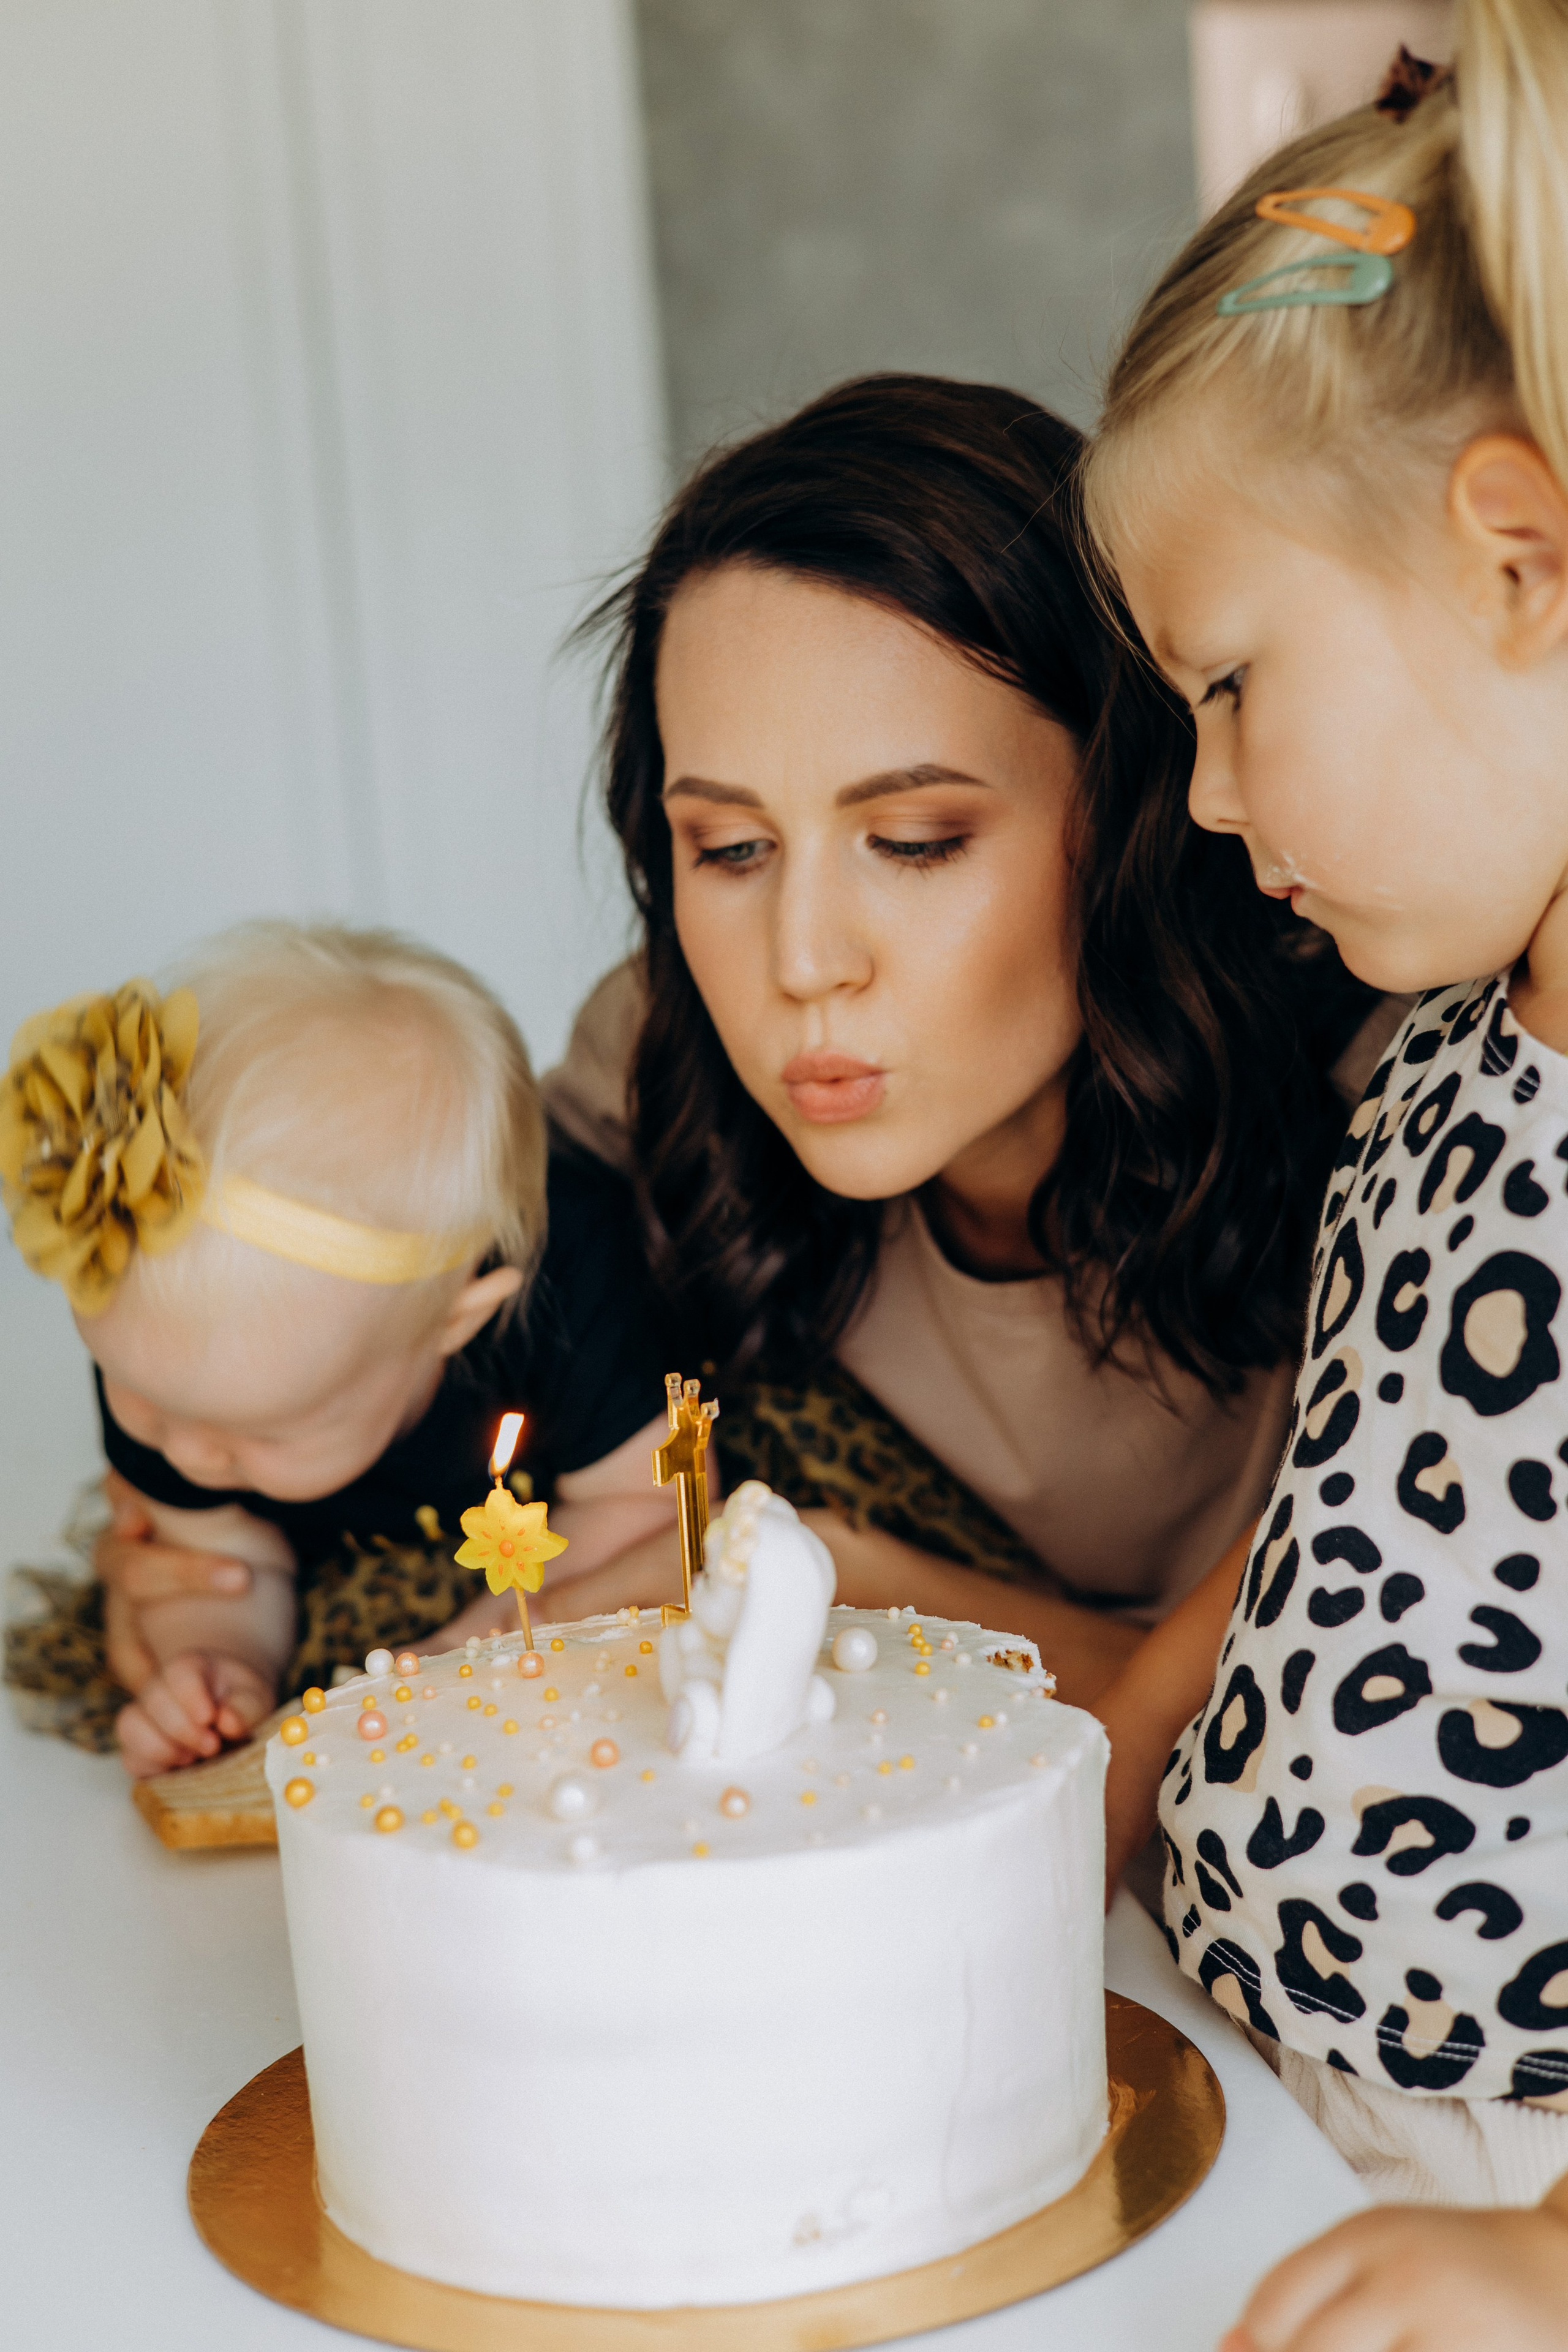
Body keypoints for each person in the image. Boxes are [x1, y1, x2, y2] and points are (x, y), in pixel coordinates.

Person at [537, 371, 1389, 1710]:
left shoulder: (1388, 1087)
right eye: (731, 848)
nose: (803, 961)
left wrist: (849, 1570)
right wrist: (193, 1548)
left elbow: (1334, 1719)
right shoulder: (656, 1066)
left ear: (1128, 812)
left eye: (914, 842)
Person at [1083, 10, 1568, 2346]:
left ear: (1515, 561)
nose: (1200, 794)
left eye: (1237, 685)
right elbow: (1329, 1547)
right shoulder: (1434, 1061)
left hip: (1497, 2185)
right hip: (1265, 2067)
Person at [1, 922, 679, 1774]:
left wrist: (485, 1637)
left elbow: (649, 1512)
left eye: (268, 1431)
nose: (187, 1451)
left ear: (454, 1324)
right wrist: (220, 1665)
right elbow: (217, 1563)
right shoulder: (172, 1356)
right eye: (134, 1392)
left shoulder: (577, 1297)